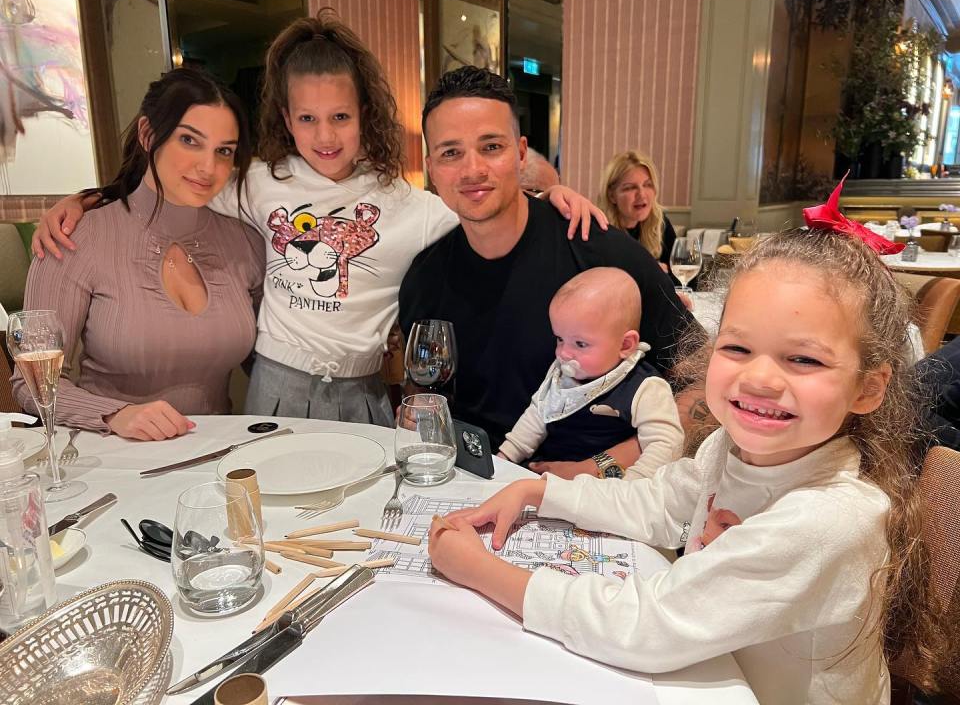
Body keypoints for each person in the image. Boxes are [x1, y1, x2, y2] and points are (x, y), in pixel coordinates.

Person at [428, 224, 948, 704]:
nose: (761, 379)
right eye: (739, 347)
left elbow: (648, 626)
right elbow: (658, 502)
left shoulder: (828, 520)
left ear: (869, 387)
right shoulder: (729, 448)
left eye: (804, 359)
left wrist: (480, 570)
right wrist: (540, 494)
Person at [31, 10, 602, 426]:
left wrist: (551, 192)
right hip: (275, 389)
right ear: (286, 117)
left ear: (365, 115)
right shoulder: (256, 183)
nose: (324, 136)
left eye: (340, 117)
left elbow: (486, 207)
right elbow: (176, 183)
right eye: (307, 118)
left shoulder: (410, 206)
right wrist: (86, 201)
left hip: (365, 396)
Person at [399, 66, 693, 456]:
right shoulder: (424, 277)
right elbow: (421, 392)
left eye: (491, 147)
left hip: (597, 496)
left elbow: (700, 381)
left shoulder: (598, 249)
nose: (473, 170)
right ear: (431, 168)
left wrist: (603, 467)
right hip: (476, 486)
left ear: (520, 154)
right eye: (451, 153)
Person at [12, 69, 264, 440]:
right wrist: (114, 414)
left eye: (223, 151)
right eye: (189, 141)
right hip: (111, 459)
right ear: (148, 134)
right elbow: (29, 384)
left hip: (215, 454)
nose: (208, 168)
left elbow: (267, 357)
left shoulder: (244, 243)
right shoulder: (73, 238)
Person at [498, 267, 683, 480]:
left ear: (625, 345)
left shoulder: (645, 387)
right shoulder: (562, 377)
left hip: (606, 487)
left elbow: (666, 442)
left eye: (580, 343)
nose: (564, 353)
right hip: (548, 477)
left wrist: (634, 483)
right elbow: (537, 415)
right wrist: (506, 456)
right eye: (559, 339)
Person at [597, 151, 677, 271]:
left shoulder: (660, 224)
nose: (642, 195)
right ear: (612, 196)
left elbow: (686, 281)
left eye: (648, 185)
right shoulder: (599, 230)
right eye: (630, 188)